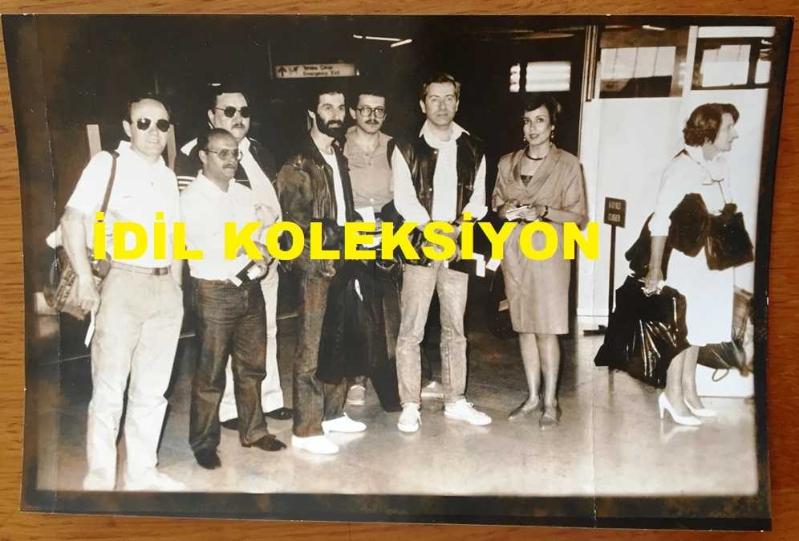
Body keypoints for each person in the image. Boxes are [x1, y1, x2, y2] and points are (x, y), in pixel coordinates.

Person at [61, 95, 185, 491]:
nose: (154, 132)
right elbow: (72, 219)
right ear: (128, 127)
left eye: (161, 124)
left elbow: (175, 238)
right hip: (122, 284)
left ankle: (142, 472)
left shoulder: (167, 176)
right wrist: (85, 278)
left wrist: (177, 289)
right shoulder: (107, 164)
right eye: (144, 123)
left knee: (153, 390)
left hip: (164, 289)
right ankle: (100, 476)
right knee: (110, 388)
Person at [175, 84, 293, 426]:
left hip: (264, 262)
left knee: (266, 331)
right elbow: (191, 220)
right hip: (225, 270)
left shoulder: (260, 152)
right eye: (229, 111)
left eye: (244, 111)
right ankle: (228, 408)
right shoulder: (193, 154)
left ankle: (268, 399)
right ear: (211, 116)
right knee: (224, 342)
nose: (238, 117)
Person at [392, 73, 492, 433]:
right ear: (423, 104)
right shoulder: (405, 146)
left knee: (456, 328)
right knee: (411, 330)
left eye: (449, 98)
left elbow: (478, 199)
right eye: (434, 99)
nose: (442, 105)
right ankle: (410, 404)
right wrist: (433, 230)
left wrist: (459, 227)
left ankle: (455, 400)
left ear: (458, 102)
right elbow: (405, 200)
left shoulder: (474, 147)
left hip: (458, 244)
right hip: (419, 245)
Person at [276, 84, 367, 455]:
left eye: (340, 107)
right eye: (327, 107)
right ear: (312, 113)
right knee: (311, 346)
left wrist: (358, 231)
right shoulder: (298, 162)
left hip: (343, 258)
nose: (335, 114)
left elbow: (342, 208)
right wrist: (333, 242)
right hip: (316, 264)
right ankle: (306, 428)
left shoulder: (337, 155)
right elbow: (295, 225)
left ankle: (332, 413)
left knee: (338, 340)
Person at [492, 94, 588, 428]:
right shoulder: (507, 162)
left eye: (540, 121)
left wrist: (544, 211)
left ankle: (551, 402)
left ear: (552, 126)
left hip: (549, 252)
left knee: (546, 329)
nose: (532, 128)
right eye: (527, 121)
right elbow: (497, 205)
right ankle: (532, 397)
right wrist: (506, 209)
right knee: (523, 326)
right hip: (515, 251)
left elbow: (578, 216)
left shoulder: (568, 164)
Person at [644, 103, 741, 426]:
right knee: (683, 330)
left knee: (699, 328)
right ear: (709, 132)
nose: (734, 134)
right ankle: (671, 395)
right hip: (688, 263)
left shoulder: (718, 165)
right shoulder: (681, 168)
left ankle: (689, 389)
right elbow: (659, 222)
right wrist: (655, 268)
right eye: (728, 128)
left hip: (713, 262)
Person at [341, 84, 401, 412]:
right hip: (353, 229)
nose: (372, 116)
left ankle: (401, 375)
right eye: (365, 109)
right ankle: (357, 378)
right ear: (353, 112)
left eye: (379, 110)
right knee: (356, 307)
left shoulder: (395, 147)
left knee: (391, 305)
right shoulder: (339, 145)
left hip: (389, 227)